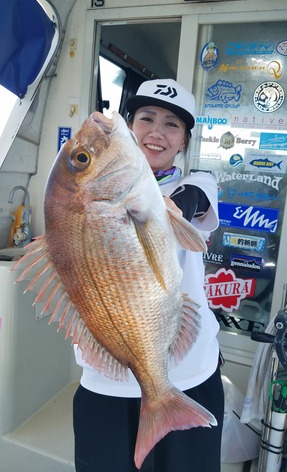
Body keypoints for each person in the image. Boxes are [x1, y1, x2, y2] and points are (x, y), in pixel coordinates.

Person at [73, 78, 224, 472]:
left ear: (185, 142)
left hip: (189, 375)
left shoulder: (197, 184)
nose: (157, 131)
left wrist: (165, 204)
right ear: (129, 125)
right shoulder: (90, 199)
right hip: (106, 376)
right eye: (146, 118)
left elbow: (192, 200)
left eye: (172, 124)